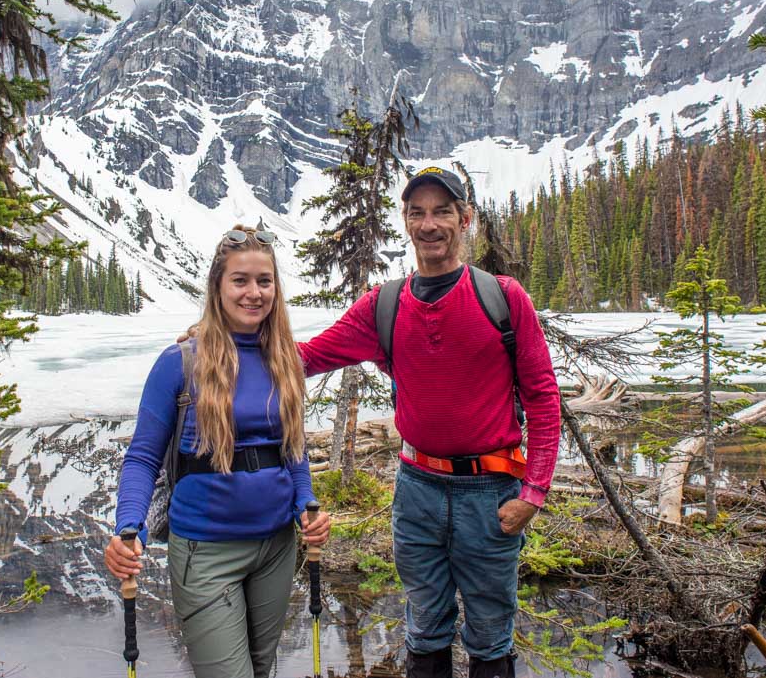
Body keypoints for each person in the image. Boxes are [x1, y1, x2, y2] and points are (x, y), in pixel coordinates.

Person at [298, 167, 562, 678]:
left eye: (443, 211)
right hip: (416, 489)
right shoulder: (385, 306)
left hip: (490, 492)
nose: (430, 223)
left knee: (490, 635)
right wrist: (220, 341)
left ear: (465, 220)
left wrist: (533, 492)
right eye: (417, 212)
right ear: (406, 221)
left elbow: (543, 398)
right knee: (424, 630)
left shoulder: (503, 299)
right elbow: (306, 357)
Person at [105, 224, 332, 678]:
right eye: (241, 281)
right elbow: (144, 457)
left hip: (276, 546)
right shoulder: (181, 362)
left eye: (264, 281)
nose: (254, 293)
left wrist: (306, 506)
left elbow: (293, 450)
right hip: (205, 550)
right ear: (218, 286)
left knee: (261, 668)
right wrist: (129, 527)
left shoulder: (283, 359)